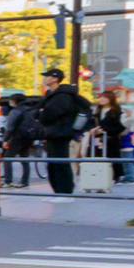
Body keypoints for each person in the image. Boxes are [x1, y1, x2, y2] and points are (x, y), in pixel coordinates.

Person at [36, 68, 89, 196]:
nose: (44, 78)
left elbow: (50, 114)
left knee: (60, 163)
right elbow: (41, 112)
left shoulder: (63, 96)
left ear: (55, 78)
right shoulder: (50, 94)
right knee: (53, 164)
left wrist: (42, 114)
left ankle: (65, 192)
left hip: (61, 133)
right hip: (52, 133)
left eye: (47, 76)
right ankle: (58, 192)